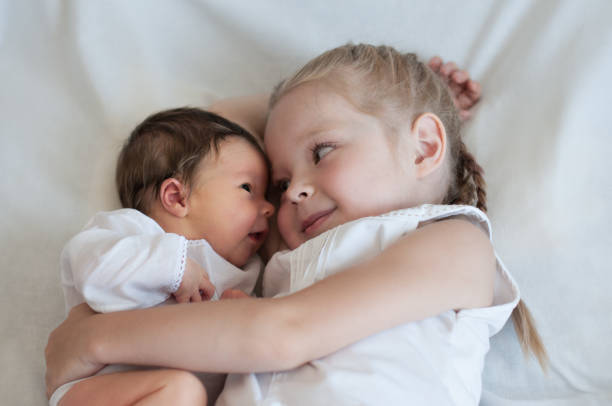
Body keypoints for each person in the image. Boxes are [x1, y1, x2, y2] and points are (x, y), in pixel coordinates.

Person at [46, 44, 546, 405]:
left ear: (424, 148)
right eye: (280, 184)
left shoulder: (453, 242)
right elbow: (205, 134)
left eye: (322, 151)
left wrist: (96, 339)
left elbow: (282, 335)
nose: (293, 192)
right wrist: (297, 109)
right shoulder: (285, 252)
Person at [49, 108, 274, 406]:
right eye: (248, 188)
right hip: (98, 389)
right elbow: (92, 267)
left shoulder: (246, 272)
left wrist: (240, 321)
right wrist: (174, 266)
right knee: (180, 390)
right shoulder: (134, 233)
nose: (269, 207)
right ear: (177, 198)